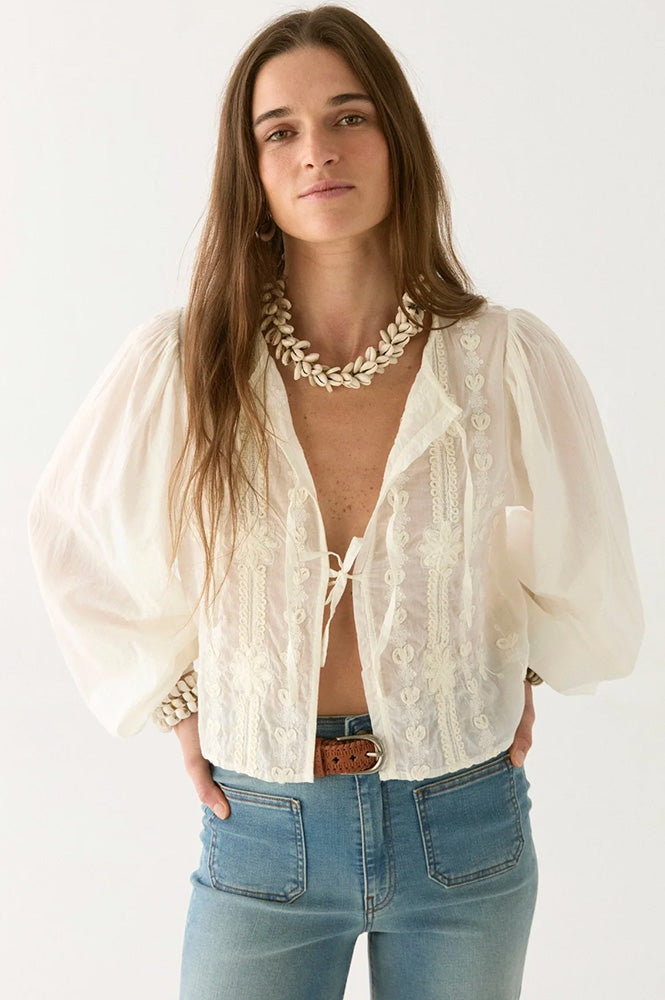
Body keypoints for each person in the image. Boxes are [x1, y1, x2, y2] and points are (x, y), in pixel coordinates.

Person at [26, 6, 644, 999]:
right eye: (280, 130)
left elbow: (580, 549)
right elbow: (73, 540)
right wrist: (175, 697)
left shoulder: (500, 357)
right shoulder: (186, 364)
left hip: (463, 823)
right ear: (253, 170)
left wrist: (519, 661)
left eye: (348, 116)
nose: (317, 149)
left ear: (396, 138)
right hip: (260, 827)